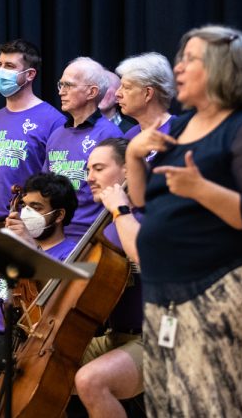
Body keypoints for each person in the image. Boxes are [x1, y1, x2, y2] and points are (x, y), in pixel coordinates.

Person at [126, 25, 242, 416]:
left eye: (190, 59)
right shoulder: (177, 128)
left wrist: (200, 189)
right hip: (165, 294)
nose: (178, 67)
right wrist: (131, 155)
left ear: (222, 69)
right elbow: (143, 200)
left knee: (222, 405)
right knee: (168, 405)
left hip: (222, 287)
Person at [0, 172, 78, 411]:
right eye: (24, 206)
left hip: (16, 341)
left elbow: (55, 305)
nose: (26, 213)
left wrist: (32, 251)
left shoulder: (71, 255)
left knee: (1, 350)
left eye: (36, 207)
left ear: (59, 215)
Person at [74, 137, 144, 418]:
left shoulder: (142, 216)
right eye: (88, 169)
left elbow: (144, 256)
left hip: (157, 338)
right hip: (116, 335)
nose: (89, 178)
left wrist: (120, 209)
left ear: (127, 170)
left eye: (99, 169)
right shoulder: (104, 225)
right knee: (39, 367)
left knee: (91, 380)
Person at [45, 57, 123, 241]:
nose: (61, 92)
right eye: (60, 85)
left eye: (68, 86)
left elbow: (116, 194)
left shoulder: (109, 135)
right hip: (54, 237)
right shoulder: (56, 135)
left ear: (91, 92)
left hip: (91, 239)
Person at [0, 39, 66, 223]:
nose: (1, 71)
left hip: (24, 223)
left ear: (30, 74)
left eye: (9, 66)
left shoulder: (53, 120)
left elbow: (55, 180)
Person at [116, 52, 175, 143]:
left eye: (126, 87)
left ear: (148, 93)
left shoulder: (178, 131)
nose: (117, 94)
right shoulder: (129, 136)